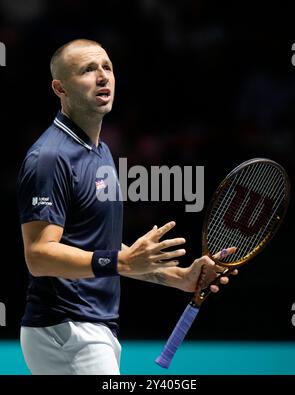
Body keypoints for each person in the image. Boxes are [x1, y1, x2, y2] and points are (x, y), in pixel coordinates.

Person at [17, 39, 236, 375]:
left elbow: (97, 250)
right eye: (88, 70)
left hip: (92, 328)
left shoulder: (99, 152)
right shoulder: (49, 158)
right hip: (65, 328)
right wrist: (120, 259)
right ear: (60, 87)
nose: (102, 76)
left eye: (107, 67)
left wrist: (179, 278)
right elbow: (38, 256)